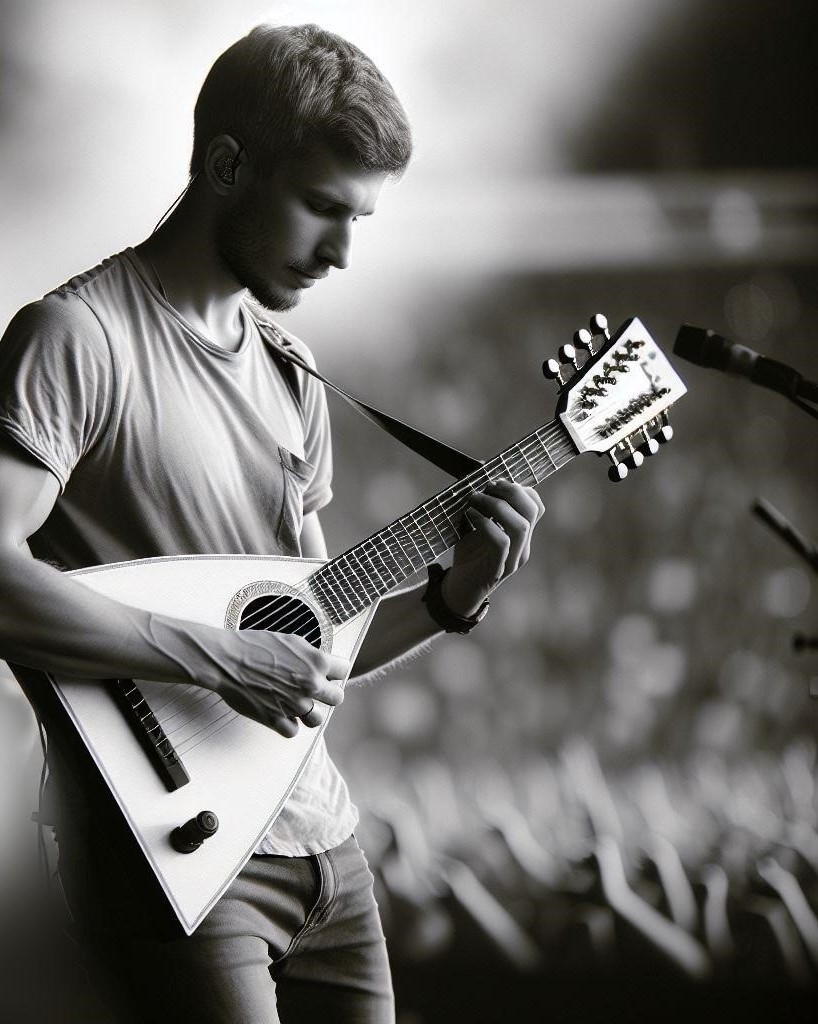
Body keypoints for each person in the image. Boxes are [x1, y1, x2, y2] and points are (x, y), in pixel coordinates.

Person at [0, 24, 544, 1024]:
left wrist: (450, 599)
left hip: (326, 851)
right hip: (175, 859)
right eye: (322, 209)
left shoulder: (294, 376)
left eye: (359, 221)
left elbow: (306, 647)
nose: (340, 251)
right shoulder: (75, 339)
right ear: (226, 165)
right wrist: (214, 657)